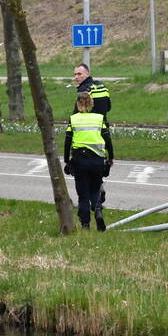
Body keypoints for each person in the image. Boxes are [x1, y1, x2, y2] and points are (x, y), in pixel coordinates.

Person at [64, 91, 114, 231]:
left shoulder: (73, 119)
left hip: (80, 160)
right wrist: (111, 157)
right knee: (95, 188)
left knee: (83, 194)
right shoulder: (99, 118)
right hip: (97, 159)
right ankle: (97, 210)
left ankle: (85, 225)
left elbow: (67, 140)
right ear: (91, 103)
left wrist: (67, 160)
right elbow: (107, 139)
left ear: (78, 104)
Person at [73, 63, 111, 208]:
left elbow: (77, 111)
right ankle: (98, 191)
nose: (76, 77)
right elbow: (109, 107)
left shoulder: (84, 89)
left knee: (84, 166)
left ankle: (91, 199)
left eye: (79, 74)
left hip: (88, 132)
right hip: (103, 129)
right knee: (99, 162)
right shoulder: (102, 86)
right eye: (75, 74)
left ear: (87, 74)